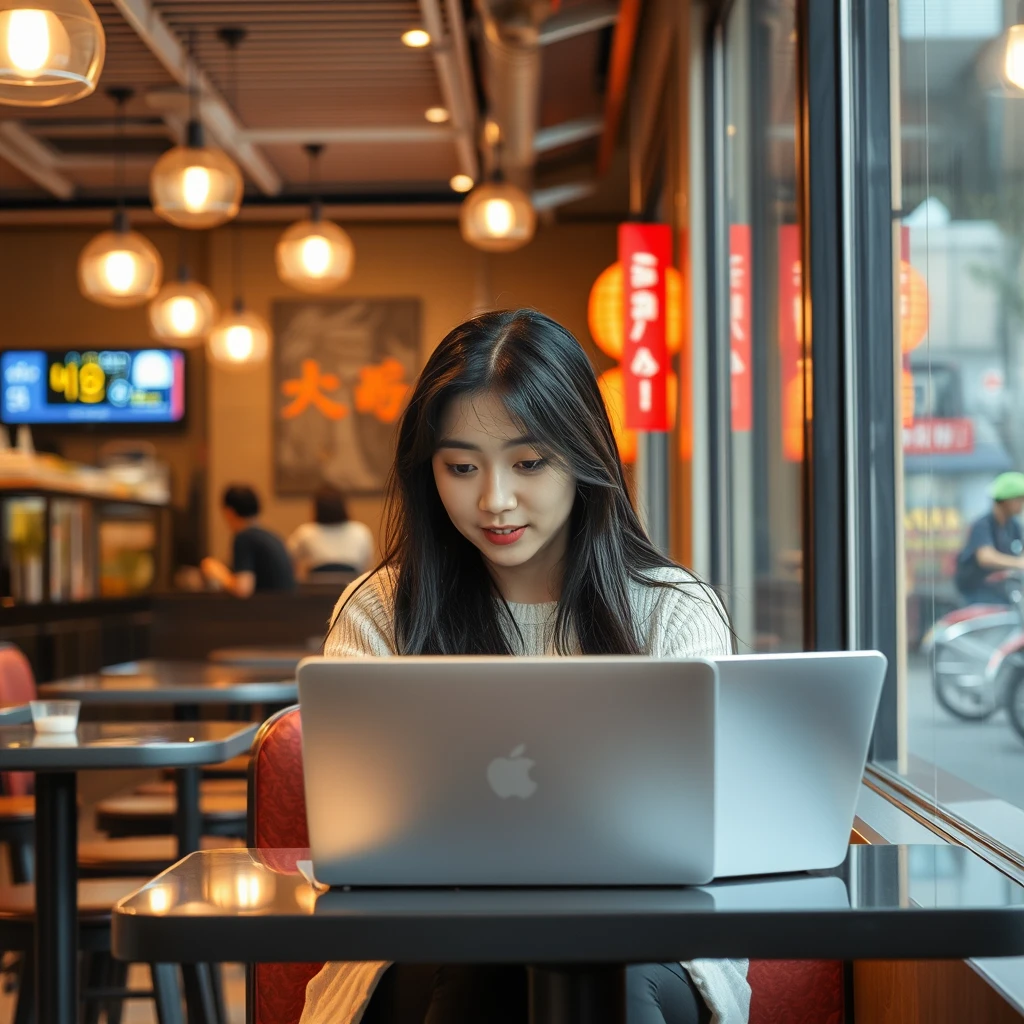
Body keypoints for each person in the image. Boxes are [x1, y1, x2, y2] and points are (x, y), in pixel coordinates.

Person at [301, 310, 749, 1024]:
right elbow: (357, 841)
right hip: (420, 942)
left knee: (600, 981)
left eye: (529, 462)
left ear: (584, 454)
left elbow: (711, 835)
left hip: (649, 942)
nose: (494, 499)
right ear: (430, 470)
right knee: (487, 971)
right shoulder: (382, 609)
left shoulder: (671, 610)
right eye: (462, 467)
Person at [200, 484, 295, 597]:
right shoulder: (272, 537)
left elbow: (243, 589)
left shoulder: (244, 538)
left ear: (229, 512)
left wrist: (219, 573)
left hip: (268, 611)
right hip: (288, 608)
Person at [954, 472, 1024, 606]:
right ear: (1005, 500)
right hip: (976, 594)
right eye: (1019, 499)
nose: (1022, 504)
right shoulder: (983, 525)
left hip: (1002, 591)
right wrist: (1018, 563)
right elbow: (986, 557)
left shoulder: (1014, 526)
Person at [286, 484, 374, 579]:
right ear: (343, 507)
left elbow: (287, 560)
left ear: (317, 508)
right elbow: (368, 565)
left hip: (315, 590)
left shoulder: (306, 532)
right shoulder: (360, 531)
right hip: (353, 589)